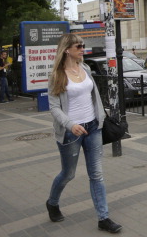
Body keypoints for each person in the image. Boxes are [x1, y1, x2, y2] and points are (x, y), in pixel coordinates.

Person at [46, 33, 122, 233]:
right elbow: (53, 107)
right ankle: (52, 202)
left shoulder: (86, 68)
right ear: (67, 49)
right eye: (79, 46)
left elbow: (93, 96)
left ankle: (103, 217)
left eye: (83, 45)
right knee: (68, 174)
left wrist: (100, 118)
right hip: (71, 132)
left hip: (93, 127)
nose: (82, 49)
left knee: (96, 174)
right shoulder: (57, 75)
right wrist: (70, 125)